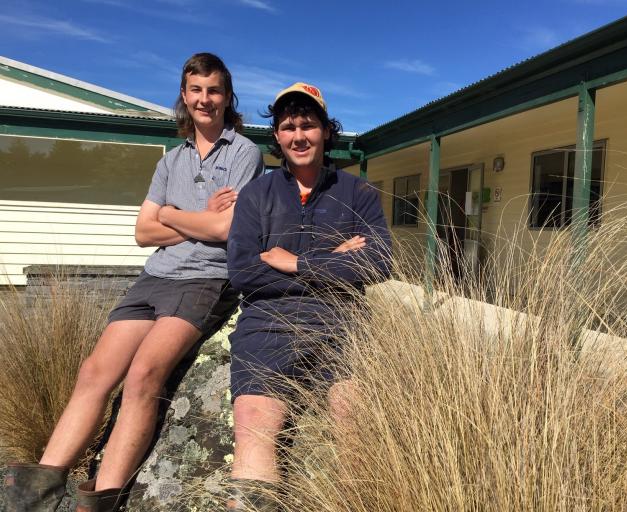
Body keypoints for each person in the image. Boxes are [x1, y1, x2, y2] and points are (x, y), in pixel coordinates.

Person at [4, 52, 263, 512]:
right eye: (196, 90)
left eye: (214, 90)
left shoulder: (244, 152)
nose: (205, 100)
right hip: (154, 278)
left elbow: (226, 231)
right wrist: (194, 217)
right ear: (185, 96)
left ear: (227, 97)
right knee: (94, 373)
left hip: (205, 279)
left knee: (144, 374)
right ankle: (34, 496)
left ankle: (99, 500)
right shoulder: (170, 162)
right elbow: (143, 233)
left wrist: (169, 215)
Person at [226, 82, 392, 510]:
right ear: (277, 137)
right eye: (287, 126)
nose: (298, 135)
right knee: (254, 425)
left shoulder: (359, 193)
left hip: (342, 319)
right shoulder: (256, 194)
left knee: (355, 418)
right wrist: (333, 261)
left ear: (325, 131)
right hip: (267, 321)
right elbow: (245, 272)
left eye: (308, 124)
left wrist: (296, 262)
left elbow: (378, 264)